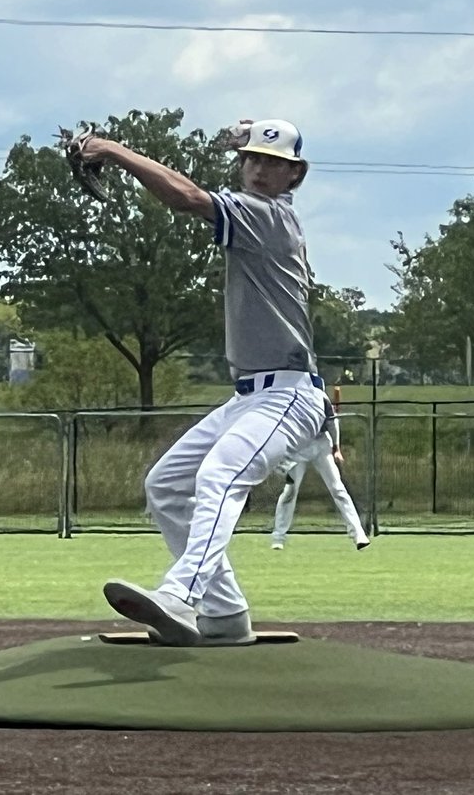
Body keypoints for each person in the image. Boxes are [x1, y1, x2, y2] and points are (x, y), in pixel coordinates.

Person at [84, 118, 326, 647]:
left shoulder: (269, 216)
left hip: (289, 395)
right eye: (253, 159)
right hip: (250, 398)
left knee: (218, 475)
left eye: (275, 163)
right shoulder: (255, 212)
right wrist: (246, 135)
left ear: (295, 176)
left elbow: (188, 198)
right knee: (166, 484)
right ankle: (225, 613)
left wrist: (114, 150)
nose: (261, 170)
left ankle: (181, 595)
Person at [271, 390, 370, 551]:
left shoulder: (320, 396)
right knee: (290, 490)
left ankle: (358, 533)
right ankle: (278, 537)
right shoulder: (289, 397)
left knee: (337, 488)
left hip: (321, 443)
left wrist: (336, 447)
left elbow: (332, 422)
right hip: (298, 446)